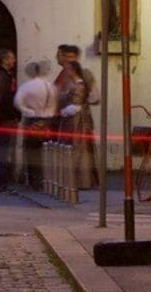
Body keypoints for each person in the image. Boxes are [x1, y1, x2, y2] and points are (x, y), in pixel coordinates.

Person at [49, 45, 94, 199]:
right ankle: (70, 179)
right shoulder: (65, 77)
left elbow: (87, 99)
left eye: (64, 55)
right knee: (68, 149)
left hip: (76, 121)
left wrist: (63, 110)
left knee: (77, 150)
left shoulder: (80, 80)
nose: (58, 57)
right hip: (68, 120)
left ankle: (80, 180)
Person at [12, 58, 59, 190]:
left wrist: (28, 111)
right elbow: (55, 104)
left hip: (32, 120)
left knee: (33, 152)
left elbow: (17, 102)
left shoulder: (27, 86)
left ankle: (35, 181)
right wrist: (49, 112)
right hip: (48, 120)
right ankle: (50, 180)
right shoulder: (51, 86)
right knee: (49, 151)